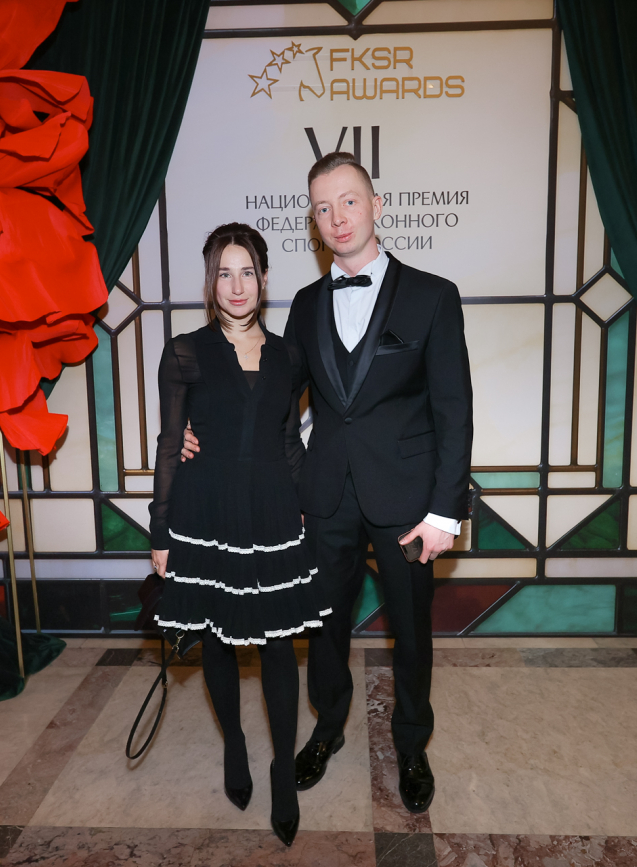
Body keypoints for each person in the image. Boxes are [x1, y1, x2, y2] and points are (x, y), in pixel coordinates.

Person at [184, 153, 473, 813]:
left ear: (376, 206)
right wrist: (199, 432)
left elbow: (455, 410)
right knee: (322, 626)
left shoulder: (433, 295)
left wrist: (444, 512)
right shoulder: (308, 304)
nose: (337, 217)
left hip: (408, 502)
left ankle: (412, 744)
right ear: (314, 223)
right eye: (322, 208)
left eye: (348, 201)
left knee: (411, 630)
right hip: (322, 499)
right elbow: (275, 400)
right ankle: (328, 726)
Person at [148, 223, 328, 847]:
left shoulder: (288, 357)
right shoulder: (184, 352)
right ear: (209, 280)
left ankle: (283, 773)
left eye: (247, 271)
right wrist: (160, 530)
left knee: (279, 645)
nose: (236, 285)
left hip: (272, 510)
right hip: (205, 511)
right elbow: (170, 444)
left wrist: (308, 509)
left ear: (264, 277)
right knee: (216, 641)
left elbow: (288, 441)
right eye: (223, 273)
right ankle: (234, 745)